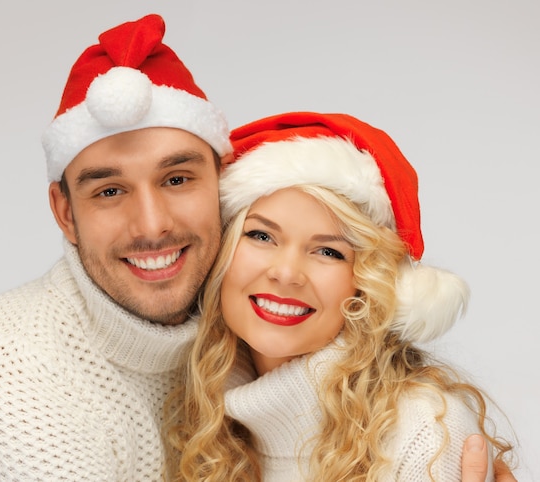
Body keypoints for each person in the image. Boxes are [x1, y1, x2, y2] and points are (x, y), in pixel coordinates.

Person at [0, 14, 514, 482]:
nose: (152, 225)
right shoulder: (10, 382)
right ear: (65, 211)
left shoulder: (413, 429)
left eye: (177, 179)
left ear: (216, 189)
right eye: (110, 190)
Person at [167, 112, 516, 481]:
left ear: (367, 282)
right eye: (261, 236)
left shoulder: (422, 432)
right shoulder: (205, 422)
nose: (286, 273)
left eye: (329, 252)